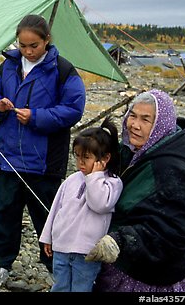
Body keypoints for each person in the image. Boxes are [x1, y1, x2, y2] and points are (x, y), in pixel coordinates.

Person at [0, 14, 86, 292]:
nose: (27, 51)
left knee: (48, 218)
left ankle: (57, 270)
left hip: (44, 162)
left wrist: (37, 117)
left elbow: (74, 108)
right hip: (8, 158)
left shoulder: (62, 70)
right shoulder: (9, 66)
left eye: (34, 46)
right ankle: (0, 266)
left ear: (46, 41)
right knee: (6, 215)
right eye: (23, 45)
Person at [86, 89, 185, 292]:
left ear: (161, 126)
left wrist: (121, 239)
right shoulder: (133, 153)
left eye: (146, 120)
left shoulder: (172, 169)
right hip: (122, 264)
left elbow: (175, 232)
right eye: (133, 115)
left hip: (149, 276)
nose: (134, 125)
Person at [39, 116, 123, 292]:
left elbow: (99, 204)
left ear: (105, 158)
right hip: (62, 246)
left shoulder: (111, 183)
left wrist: (95, 177)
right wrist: (47, 237)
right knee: (60, 286)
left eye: (86, 157)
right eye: (77, 157)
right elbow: (55, 210)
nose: (80, 163)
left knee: (81, 288)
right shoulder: (71, 180)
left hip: (87, 252)